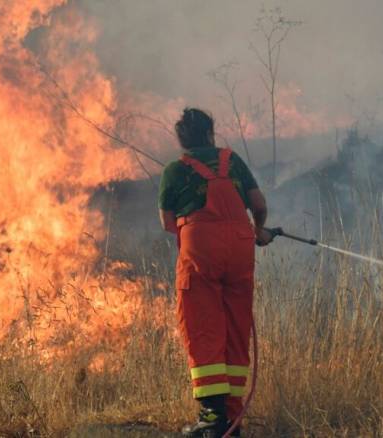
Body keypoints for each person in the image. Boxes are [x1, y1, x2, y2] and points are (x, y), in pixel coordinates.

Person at [158, 108, 274, 437]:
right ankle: (233, 418)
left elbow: (167, 223)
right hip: (241, 249)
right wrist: (259, 230)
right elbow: (259, 205)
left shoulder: (174, 170)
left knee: (202, 324)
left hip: (201, 251)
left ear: (181, 139)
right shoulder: (231, 160)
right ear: (210, 134)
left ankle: (212, 418)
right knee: (237, 326)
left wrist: (197, 231)